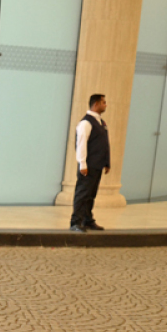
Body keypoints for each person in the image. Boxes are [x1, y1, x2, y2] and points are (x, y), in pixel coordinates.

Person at [71, 93, 109, 233]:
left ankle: (87, 220)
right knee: (82, 194)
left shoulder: (101, 122)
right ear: (96, 104)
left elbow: (103, 144)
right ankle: (75, 222)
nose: (106, 105)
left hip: (97, 165)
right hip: (88, 166)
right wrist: (82, 164)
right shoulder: (86, 123)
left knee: (91, 195)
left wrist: (106, 162)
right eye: (104, 102)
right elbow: (81, 144)